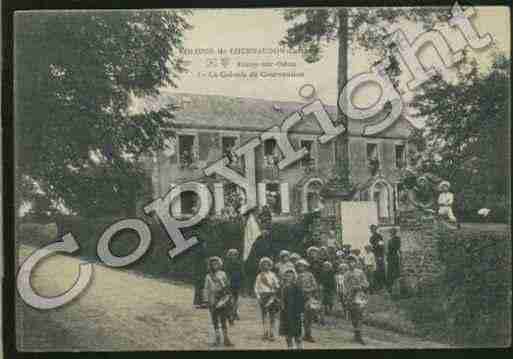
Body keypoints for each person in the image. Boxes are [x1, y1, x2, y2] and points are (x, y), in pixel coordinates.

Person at [204, 256, 234, 347]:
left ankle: (226, 338)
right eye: (212, 264)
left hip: (222, 298)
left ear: (220, 264)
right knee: (215, 320)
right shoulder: (208, 276)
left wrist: (228, 295)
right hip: (213, 299)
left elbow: (226, 285)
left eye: (216, 264)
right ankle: (217, 338)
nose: (215, 265)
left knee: (223, 319)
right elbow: (206, 288)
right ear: (210, 265)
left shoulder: (223, 274)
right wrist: (206, 300)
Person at [344, 256, 370, 345]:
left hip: (359, 295)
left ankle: (359, 336)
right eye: (349, 262)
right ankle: (356, 334)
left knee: (360, 315)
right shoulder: (346, 274)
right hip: (350, 296)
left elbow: (366, 283)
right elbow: (345, 285)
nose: (351, 263)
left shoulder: (360, 272)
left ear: (355, 262)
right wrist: (347, 293)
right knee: (353, 316)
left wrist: (361, 286)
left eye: (353, 261)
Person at [254, 257, 281, 341]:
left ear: (270, 265)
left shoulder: (272, 275)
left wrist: (276, 287)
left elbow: (277, 285)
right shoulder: (259, 276)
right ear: (261, 266)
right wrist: (258, 296)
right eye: (263, 264)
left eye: (267, 264)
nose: (266, 266)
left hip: (271, 295)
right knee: (264, 315)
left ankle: (272, 332)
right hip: (263, 296)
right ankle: (265, 332)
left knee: (272, 315)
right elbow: (256, 287)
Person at [279, 268, 305, 350]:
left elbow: (301, 300)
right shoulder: (283, 287)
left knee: (297, 335)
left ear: (294, 277)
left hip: (295, 313)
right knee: (288, 335)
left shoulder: (297, 287)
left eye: (290, 276)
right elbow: (281, 300)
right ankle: (290, 348)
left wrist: (301, 312)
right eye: (286, 276)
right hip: (285, 314)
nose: (288, 278)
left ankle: (299, 348)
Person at [295, 259, 318, 343]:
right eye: (299, 266)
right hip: (301, 298)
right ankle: (305, 334)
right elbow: (296, 287)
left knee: (309, 316)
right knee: (303, 317)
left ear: (306, 267)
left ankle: (308, 334)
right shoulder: (297, 276)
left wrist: (309, 290)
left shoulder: (310, 275)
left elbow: (315, 286)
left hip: (309, 297)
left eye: (302, 266)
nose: (301, 267)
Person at [225, 248, 243, 323]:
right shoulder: (227, 264)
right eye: (232, 255)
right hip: (230, 283)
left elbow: (242, 273)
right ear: (229, 256)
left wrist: (242, 281)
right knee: (230, 299)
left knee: (236, 299)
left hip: (237, 283)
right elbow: (226, 274)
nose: (234, 256)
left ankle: (235, 312)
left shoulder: (239, 263)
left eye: (235, 255)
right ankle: (231, 313)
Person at [369, 224, 386, 291]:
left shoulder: (379, 236)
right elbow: (372, 246)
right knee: (375, 270)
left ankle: (382, 285)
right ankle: (377, 286)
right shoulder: (371, 237)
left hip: (379, 255)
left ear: (375, 229)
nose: (372, 230)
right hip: (374, 255)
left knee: (380, 270)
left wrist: (381, 256)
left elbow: (381, 246)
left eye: (373, 229)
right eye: (371, 229)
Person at [193, 240, 209, 309]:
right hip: (201, 272)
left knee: (199, 287)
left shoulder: (197, 252)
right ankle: (201, 302)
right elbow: (206, 261)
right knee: (202, 287)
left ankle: (198, 302)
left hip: (199, 272)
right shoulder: (202, 252)